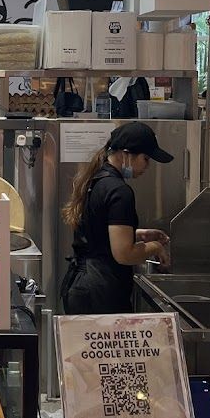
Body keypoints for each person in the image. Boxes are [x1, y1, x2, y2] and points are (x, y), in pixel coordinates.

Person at [61, 121, 173, 315]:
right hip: (100, 291)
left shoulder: (97, 179)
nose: (148, 166)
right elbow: (124, 254)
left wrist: (139, 234)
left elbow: (98, 231)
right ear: (126, 155)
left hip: (80, 284)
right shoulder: (120, 191)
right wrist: (156, 247)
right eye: (146, 158)